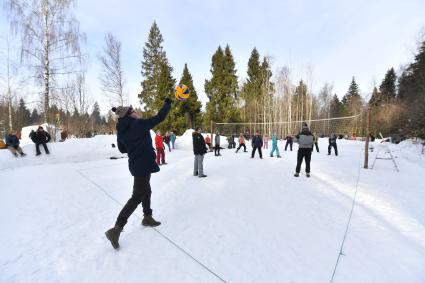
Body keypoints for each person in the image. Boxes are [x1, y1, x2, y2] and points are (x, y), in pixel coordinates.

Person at [105, 98, 171, 250]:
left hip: (136, 164)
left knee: (146, 190)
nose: (137, 112)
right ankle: (116, 229)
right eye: (134, 110)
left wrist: (134, 145)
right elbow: (160, 117)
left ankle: (147, 217)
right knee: (137, 196)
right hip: (143, 164)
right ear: (130, 114)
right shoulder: (139, 125)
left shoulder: (121, 130)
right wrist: (167, 102)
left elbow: (122, 149)